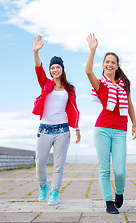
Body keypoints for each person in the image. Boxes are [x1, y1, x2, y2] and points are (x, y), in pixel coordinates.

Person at [85, 33, 136, 214]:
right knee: (104, 169)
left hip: (120, 131)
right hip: (102, 129)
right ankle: (108, 202)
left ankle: (119, 192)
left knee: (120, 171)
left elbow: (130, 105)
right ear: (103, 65)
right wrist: (92, 50)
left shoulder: (124, 85)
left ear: (117, 65)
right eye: (107, 62)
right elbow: (88, 72)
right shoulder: (100, 84)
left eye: (113, 62)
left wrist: (134, 124)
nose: (109, 64)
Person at [32, 35, 81, 206]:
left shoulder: (70, 88)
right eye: (52, 67)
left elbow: (73, 109)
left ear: (62, 69)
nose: (55, 69)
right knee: (40, 163)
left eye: (57, 67)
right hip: (44, 129)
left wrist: (77, 128)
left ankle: (54, 192)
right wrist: (35, 52)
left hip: (62, 130)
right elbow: (38, 68)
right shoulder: (45, 83)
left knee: (59, 165)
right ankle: (43, 185)